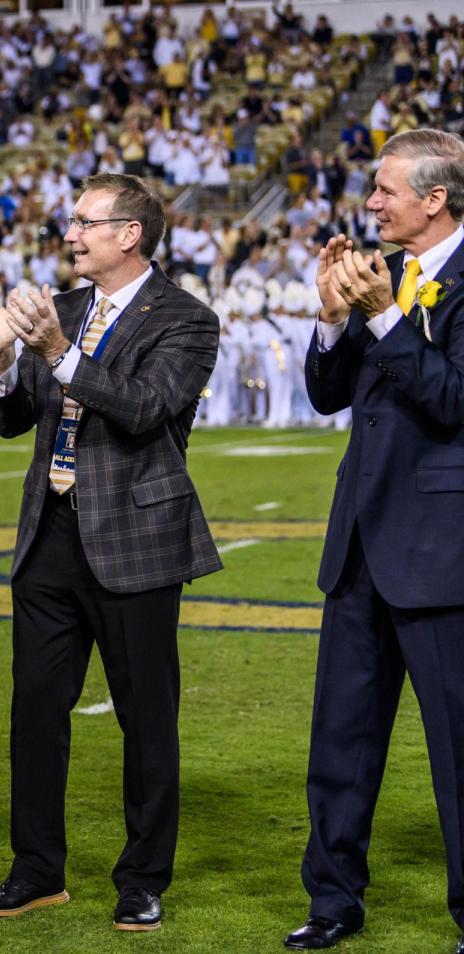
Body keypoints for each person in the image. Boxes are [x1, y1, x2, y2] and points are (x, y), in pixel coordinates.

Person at [0, 173, 222, 931]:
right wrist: (4, 362)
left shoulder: (186, 318)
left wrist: (55, 352)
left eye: (84, 221)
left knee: (146, 718)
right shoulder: (65, 309)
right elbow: (16, 422)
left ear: (129, 234)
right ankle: (36, 869)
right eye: (70, 220)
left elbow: (144, 408)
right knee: (36, 711)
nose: (70, 233)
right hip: (50, 535)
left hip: (135, 540)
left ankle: (142, 878)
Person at [284, 129, 464, 953]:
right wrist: (331, 319)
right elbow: (327, 396)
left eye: (387, 189)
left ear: (435, 198)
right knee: (341, 743)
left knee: (458, 754)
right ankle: (333, 901)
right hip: (358, 544)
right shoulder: (378, 279)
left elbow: (451, 402)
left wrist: (386, 315)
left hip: (442, 554)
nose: (372, 202)